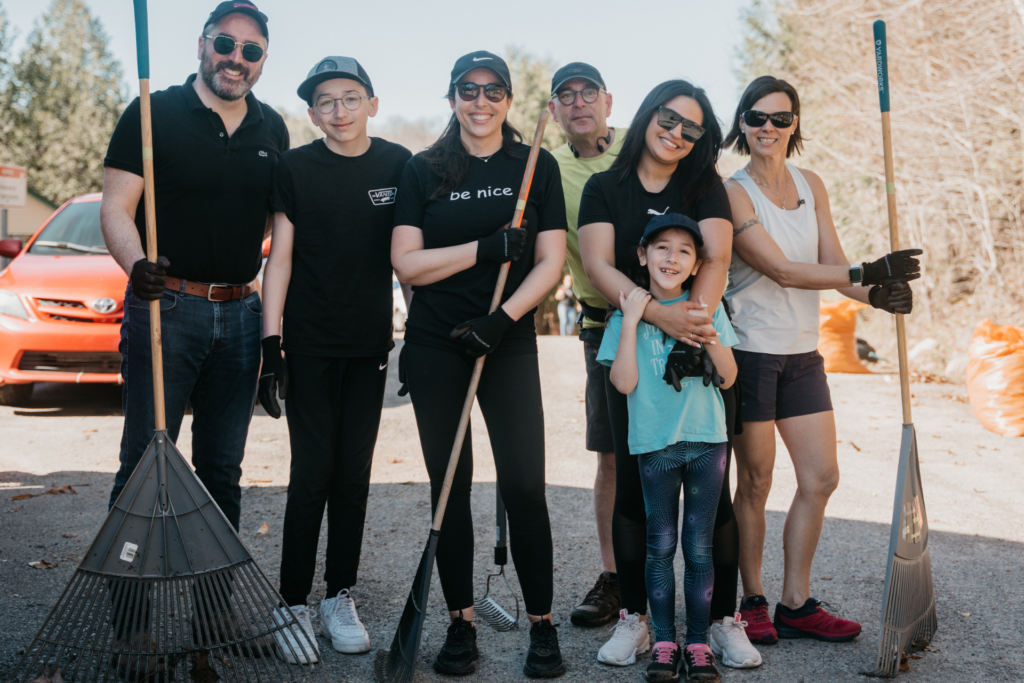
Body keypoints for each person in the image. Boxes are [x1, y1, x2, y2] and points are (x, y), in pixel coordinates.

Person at [100, 1, 286, 660]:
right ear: (204, 44)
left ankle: (211, 620)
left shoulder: (274, 129)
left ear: (262, 61)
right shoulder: (151, 113)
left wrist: (272, 334)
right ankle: (132, 627)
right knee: (144, 467)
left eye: (251, 51)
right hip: (165, 311)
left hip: (238, 314)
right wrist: (138, 265)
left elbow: (273, 230)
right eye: (226, 44)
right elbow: (117, 208)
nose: (236, 59)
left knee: (222, 473)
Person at [722, 76, 920, 644]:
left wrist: (878, 294)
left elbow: (832, 263)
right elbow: (781, 268)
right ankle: (754, 600)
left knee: (821, 478)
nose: (768, 128)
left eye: (780, 119)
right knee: (756, 483)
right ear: (742, 123)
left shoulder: (812, 184)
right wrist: (867, 272)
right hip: (752, 355)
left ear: (795, 126)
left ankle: (796, 602)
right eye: (757, 117)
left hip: (802, 357)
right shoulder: (734, 192)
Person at [391, 51, 568, 679]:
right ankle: (461, 621)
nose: (481, 101)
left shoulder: (534, 166)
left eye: (494, 90)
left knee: (525, 485)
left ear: (508, 100)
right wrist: (483, 250)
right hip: (438, 344)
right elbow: (408, 265)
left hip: (507, 340)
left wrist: (502, 320)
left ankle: (543, 626)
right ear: (452, 99)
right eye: (469, 90)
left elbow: (552, 262)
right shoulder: (424, 169)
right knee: (451, 488)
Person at [579, 80, 760, 672]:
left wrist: (697, 327)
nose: (677, 132)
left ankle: (719, 622)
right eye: (669, 118)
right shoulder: (606, 186)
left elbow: (718, 258)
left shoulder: (704, 185)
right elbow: (598, 263)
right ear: (647, 113)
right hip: (631, 330)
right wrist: (659, 317)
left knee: (715, 506)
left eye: (692, 127)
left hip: (702, 339)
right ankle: (638, 619)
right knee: (634, 491)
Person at [259, 56, 411, 664]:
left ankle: (337, 595)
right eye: (326, 101)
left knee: (353, 476)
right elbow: (282, 259)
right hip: (311, 343)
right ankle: (292, 602)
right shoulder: (295, 168)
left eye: (350, 98)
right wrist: (272, 345)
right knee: (312, 474)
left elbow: (409, 256)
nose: (339, 110)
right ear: (312, 112)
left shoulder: (399, 165)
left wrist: (420, 333)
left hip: (370, 344)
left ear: (372, 103)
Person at [598, 214, 738, 683]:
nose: (671, 257)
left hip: (706, 442)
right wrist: (634, 317)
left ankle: (697, 644)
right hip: (654, 446)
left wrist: (706, 330)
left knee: (699, 548)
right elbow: (622, 382)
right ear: (643, 256)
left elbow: (730, 376)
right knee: (659, 546)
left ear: (697, 264)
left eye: (684, 250)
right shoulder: (625, 319)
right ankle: (662, 642)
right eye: (661, 247)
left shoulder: (707, 309)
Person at [547, 62, 627, 627]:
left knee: (687, 453)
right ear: (553, 112)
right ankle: (615, 577)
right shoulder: (546, 172)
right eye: (565, 97)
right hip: (601, 324)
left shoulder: (645, 146)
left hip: (669, 318)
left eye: (588, 94)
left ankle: (702, 583)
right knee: (613, 456)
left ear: (608, 102)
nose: (578, 104)